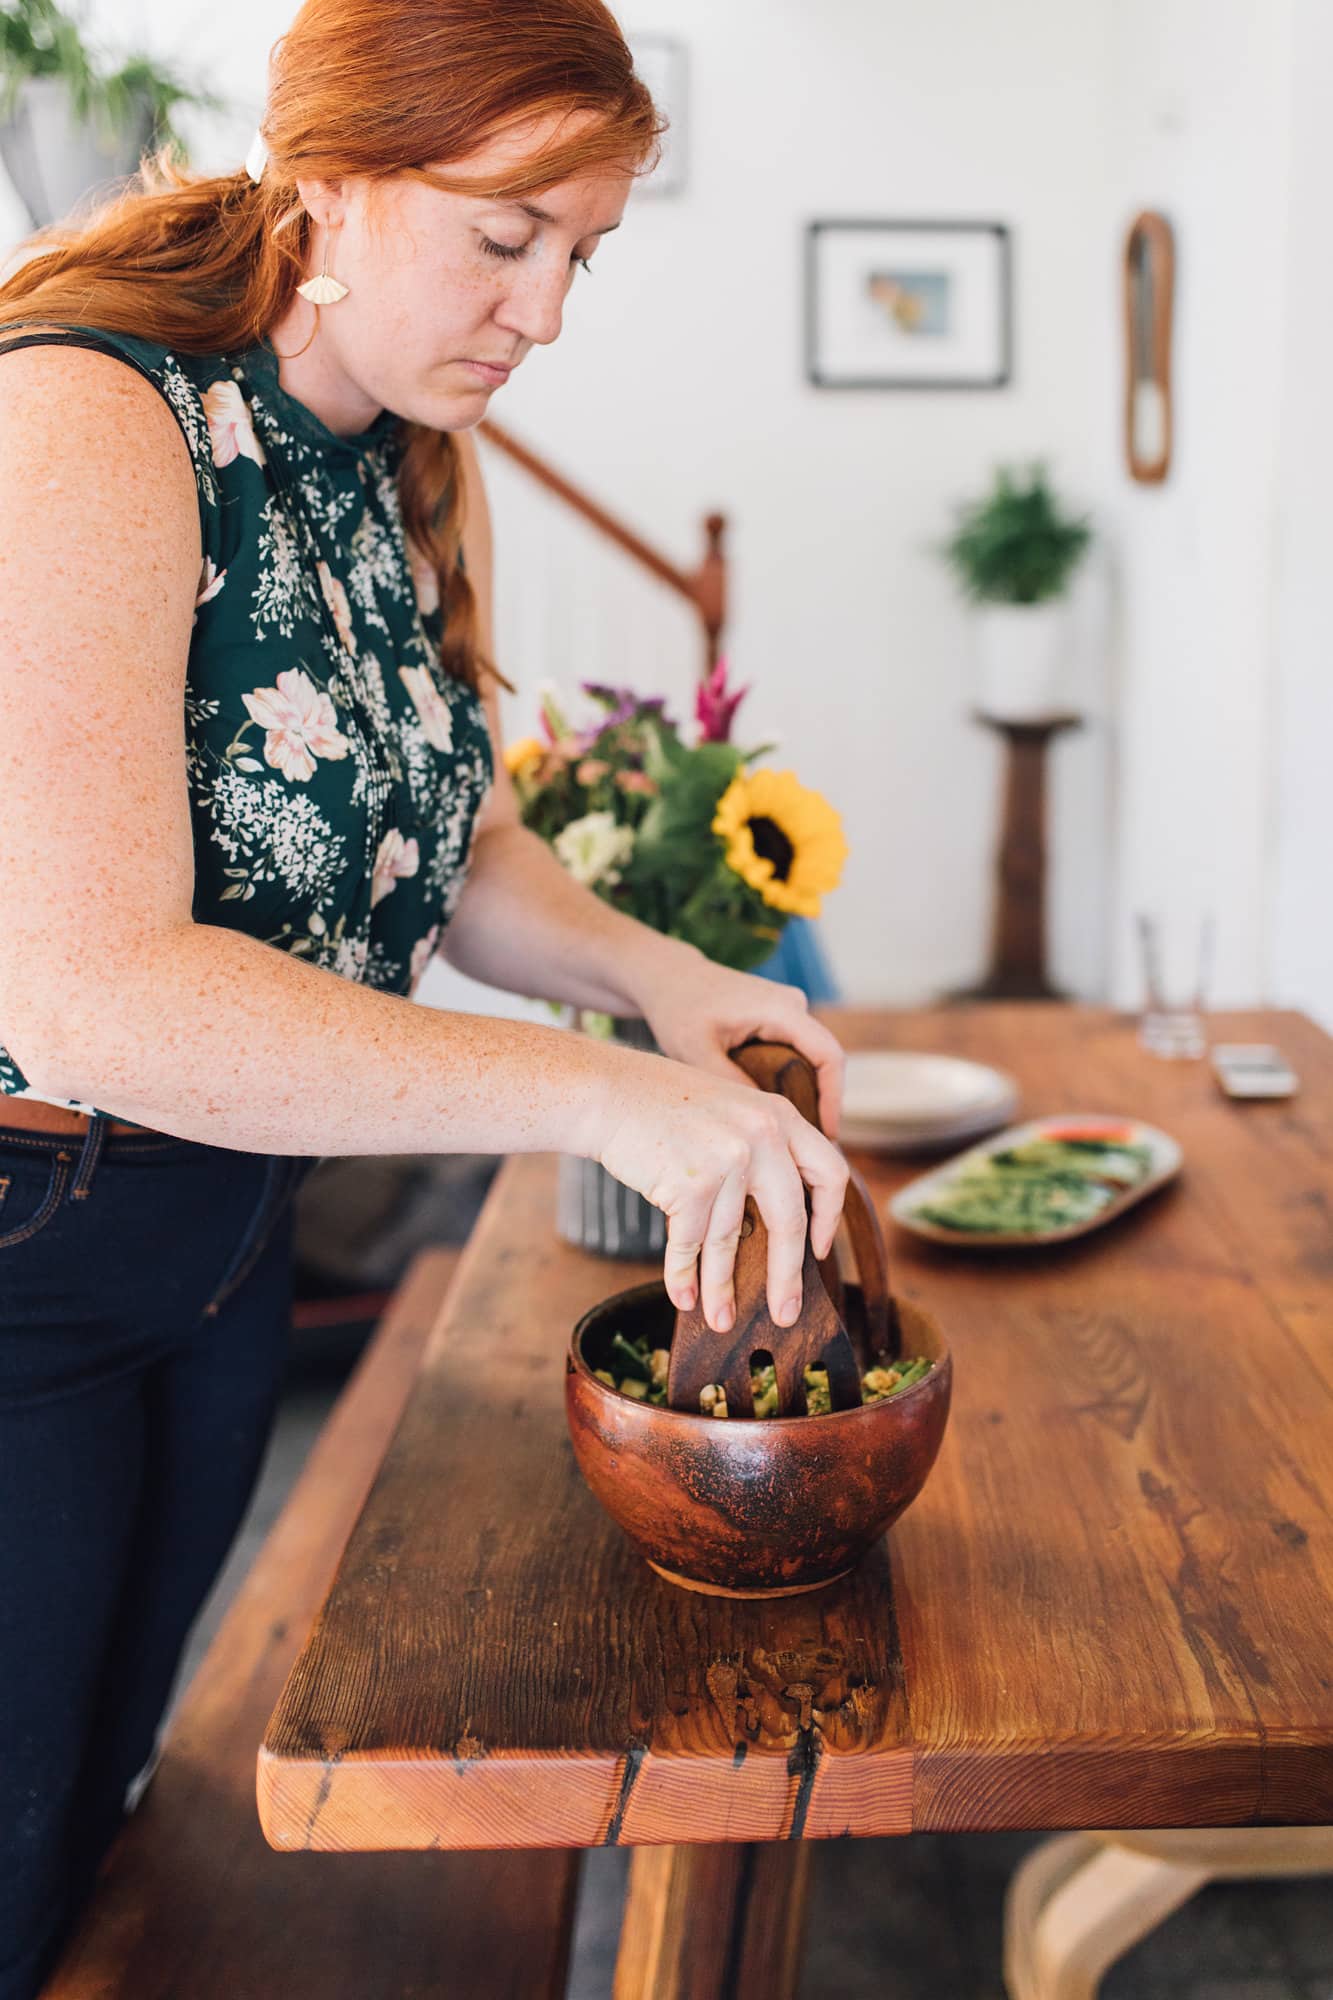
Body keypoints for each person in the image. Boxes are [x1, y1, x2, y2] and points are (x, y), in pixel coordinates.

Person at [0, 0, 848, 1987]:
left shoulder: (393, 450)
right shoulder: (87, 421)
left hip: (225, 1231)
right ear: (328, 186)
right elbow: (89, 991)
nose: (542, 312)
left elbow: (447, 838)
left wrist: (659, 980)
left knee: (94, 1816)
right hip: (34, 1249)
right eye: (503, 235)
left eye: (581, 256)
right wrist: (595, 1094)